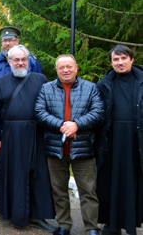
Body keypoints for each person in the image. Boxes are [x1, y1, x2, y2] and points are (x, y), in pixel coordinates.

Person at [35, 54, 104, 235]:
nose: (65, 70)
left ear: (76, 67)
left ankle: (91, 227)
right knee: (59, 190)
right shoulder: (46, 88)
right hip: (56, 149)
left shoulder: (91, 88)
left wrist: (77, 125)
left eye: (69, 66)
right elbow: (40, 113)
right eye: (61, 67)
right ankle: (64, 225)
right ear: (56, 69)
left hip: (83, 148)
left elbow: (98, 112)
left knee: (88, 190)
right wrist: (62, 126)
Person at [0, 45, 55, 231]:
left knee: (38, 175)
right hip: (10, 135)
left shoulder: (40, 79)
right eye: (16, 60)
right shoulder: (1, 82)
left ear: (28, 61)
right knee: (14, 175)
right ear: (9, 62)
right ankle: (14, 214)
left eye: (23, 59)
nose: (20, 63)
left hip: (36, 134)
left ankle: (38, 215)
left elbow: (49, 106)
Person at [96, 45, 143, 235]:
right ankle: (111, 224)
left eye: (123, 58)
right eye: (116, 59)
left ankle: (132, 222)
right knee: (111, 182)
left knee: (133, 181)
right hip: (111, 140)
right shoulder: (103, 84)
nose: (120, 62)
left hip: (136, 140)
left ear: (132, 59)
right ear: (111, 63)